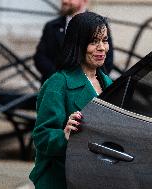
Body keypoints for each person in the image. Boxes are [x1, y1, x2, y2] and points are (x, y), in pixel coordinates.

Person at [29, 12, 113, 189]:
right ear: (78, 44)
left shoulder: (109, 83)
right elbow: (42, 137)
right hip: (60, 181)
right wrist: (64, 135)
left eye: (104, 40)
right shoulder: (57, 84)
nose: (102, 48)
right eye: (93, 42)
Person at [34, 0, 114, 84]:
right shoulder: (52, 26)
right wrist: (62, 79)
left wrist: (87, 82)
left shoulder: (100, 25)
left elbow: (107, 62)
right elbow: (40, 57)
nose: (64, 1)